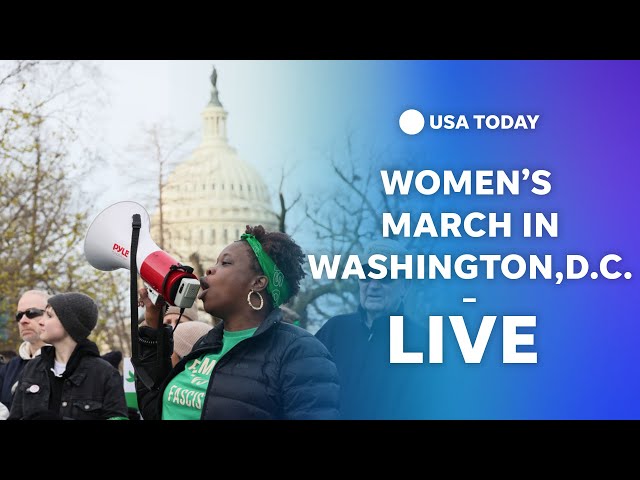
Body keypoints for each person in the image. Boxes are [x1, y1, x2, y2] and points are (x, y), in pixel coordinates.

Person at [135, 225, 340, 420]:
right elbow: (156, 410)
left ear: (258, 282)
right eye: (215, 262)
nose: (209, 270)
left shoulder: (300, 351)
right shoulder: (206, 345)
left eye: (225, 263)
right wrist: (153, 324)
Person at [315, 239, 428, 419]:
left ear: (405, 286)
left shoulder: (425, 343)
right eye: (366, 274)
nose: (373, 285)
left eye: (385, 277)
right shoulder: (334, 330)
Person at [8, 292, 128, 420]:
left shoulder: (105, 373)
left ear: (69, 323)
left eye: (49, 316)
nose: (41, 322)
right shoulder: (32, 368)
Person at [0, 290, 49, 419]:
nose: (23, 320)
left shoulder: (65, 363)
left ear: (51, 315)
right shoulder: (9, 368)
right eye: (19, 315)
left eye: (31, 313)